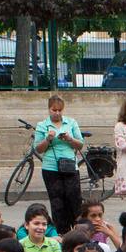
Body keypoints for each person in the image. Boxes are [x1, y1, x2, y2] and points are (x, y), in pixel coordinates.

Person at [32, 96, 85, 231]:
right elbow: (38, 149)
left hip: (69, 165)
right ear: (49, 109)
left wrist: (69, 139)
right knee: (57, 201)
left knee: (74, 199)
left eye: (60, 110)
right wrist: (48, 139)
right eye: (54, 110)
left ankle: (79, 229)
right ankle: (62, 232)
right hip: (51, 167)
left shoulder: (71, 122)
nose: (57, 113)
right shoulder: (42, 125)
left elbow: (80, 144)